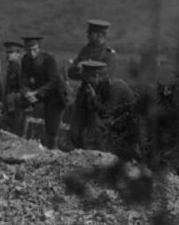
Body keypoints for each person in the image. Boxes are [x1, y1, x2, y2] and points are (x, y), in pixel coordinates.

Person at [68, 20, 118, 148]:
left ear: (100, 34)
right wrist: (78, 70)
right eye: (89, 33)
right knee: (75, 131)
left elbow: (105, 78)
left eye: (91, 33)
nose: (88, 35)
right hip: (83, 96)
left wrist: (84, 73)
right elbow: (71, 73)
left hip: (99, 97)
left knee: (95, 133)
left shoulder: (108, 54)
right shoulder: (85, 50)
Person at [71, 60, 137, 154]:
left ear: (97, 76)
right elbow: (81, 111)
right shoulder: (93, 86)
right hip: (114, 120)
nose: (86, 83)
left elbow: (107, 112)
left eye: (88, 79)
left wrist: (93, 98)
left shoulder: (115, 87)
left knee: (99, 126)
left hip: (129, 123)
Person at [20, 34, 66, 149]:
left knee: (52, 128)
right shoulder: (25, 59)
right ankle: (21, 137)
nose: (32, 53)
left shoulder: (48, 59)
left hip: (55, 94)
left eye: (34, 50)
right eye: (28, 50)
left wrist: (35, 93)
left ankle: (52, 152)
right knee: (20, 102)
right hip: (38, 93)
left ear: (39, 48)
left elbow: (55, 80)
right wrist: (26, 92)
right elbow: (23, 79)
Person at [1, 41, 27, 136]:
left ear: (18, 54)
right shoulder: (10, 68)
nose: (8, 55)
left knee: (17, 132)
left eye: (11, 52)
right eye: (7, 52)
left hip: (19, 105)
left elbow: (24, 88)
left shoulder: (21, 69)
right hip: (9, 105)